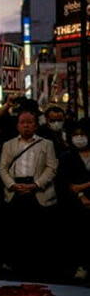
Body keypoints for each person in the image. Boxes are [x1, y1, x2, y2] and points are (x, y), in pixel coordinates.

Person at [0, 109, 58, 277]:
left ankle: (39, 269)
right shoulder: (8, 145)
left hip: (38, 191)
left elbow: (52, 168)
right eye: (23, 122)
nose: (26, 125)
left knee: (39, 232)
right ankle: (17, 269)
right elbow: (3, 168)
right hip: (15, 190)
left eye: (30, 122)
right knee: (17, 232)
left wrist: (36, 185)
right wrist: (12, 185)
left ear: (36, 125)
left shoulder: (46, 144)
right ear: (17, 125)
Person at [59, 119, 90, 281]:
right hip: (75, 204)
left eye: (83, 135)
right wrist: (81, 194)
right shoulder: (67, 157)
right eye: (76, 135)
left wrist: (83, 186)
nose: (79, 138)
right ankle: (80, 266)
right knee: (79, 236)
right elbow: (66, 182)